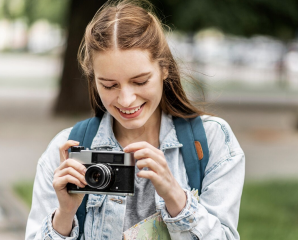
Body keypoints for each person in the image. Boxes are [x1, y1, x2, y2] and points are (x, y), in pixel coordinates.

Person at [25, 0, 245, 239]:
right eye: (109, 85)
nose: (126, 99)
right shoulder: (65, 150)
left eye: (140, 81)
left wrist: (176, 197)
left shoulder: (212, 140)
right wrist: (65, 215)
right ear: (93, 79)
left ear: (164, 68)